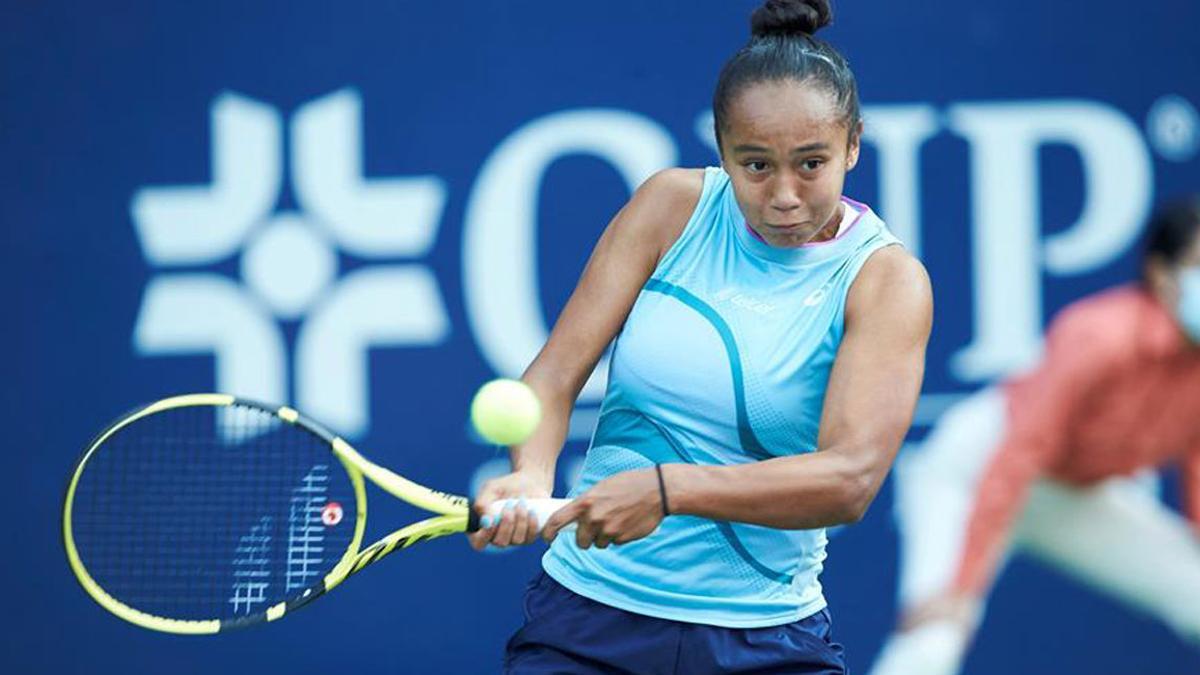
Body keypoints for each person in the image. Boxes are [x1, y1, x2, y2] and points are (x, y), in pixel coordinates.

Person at [471, 1, 932, 672]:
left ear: (853, 144)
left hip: (766, 639)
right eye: (755, 165)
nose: (783, 195)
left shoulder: (886, 280)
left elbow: (849, 479)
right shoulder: (668, 209)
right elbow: (552, 376)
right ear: (721, 148)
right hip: (587, 621)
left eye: (811, 164)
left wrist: (667, 488)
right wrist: (531, 475)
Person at [868, 199, 1200, 675]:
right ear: (1161, 274)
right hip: (974, 469)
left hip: (1069, 494)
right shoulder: (1100, 336)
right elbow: (1017, 455)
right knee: (935, 637)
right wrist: (961, 589)